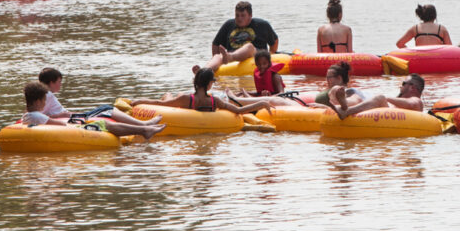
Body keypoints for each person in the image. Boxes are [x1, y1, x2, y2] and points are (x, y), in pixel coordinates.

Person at [22, 81, 166, 140]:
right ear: (37, 101)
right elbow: (59, 124)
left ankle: (144, 128)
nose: (45, 103)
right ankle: (144, 130)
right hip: (72, 129)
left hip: (68, 127)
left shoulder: (28, 116)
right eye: (44, 100)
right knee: (104, 123)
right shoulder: (37, 116)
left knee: (103, 120)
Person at [36, 67, 167, 126]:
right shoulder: (46, 94)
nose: (60, 85)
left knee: (106, 108)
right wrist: (57, 117)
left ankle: (142, 125)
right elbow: (37, 114)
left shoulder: (44, 94)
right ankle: (143, 124)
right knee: (107, 109)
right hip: (70, 119)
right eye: (59, 82)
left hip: (70, 116)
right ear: (51, 82)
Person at [131, 67, 275, 116]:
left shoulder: (187, 99)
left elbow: (159, 103)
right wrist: (261, 103)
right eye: (213, 82)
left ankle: (168, 93)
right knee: (170, 97)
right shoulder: (215, 101)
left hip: (184, 103)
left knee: (168, 96)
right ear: (209, 84)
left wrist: (138, 101)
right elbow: (239, 111)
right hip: (196, 108)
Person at [204, 1, 279, 71]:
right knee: (218, 56)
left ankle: (230, 57)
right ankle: (204, 71)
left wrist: (270, 55)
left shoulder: (262, 25)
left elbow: (274, 41)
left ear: (250, 16)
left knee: (249, 47)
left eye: (243, 16)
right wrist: (218, 59)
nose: (239, 18)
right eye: (237, 15)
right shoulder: (228, 25)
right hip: (231, 58)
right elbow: (216, 44)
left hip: (254, 55)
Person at [328, 73, 425, 120]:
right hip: (379, 115)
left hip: (392, 122)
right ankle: (338, 104)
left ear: (412, 87)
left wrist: (386, 98)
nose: (400, 85)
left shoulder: (416, 101)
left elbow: (412, 105)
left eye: (403, 83)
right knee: (356, 97)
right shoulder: (398, 101)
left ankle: (346, 111)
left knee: (380, 98)